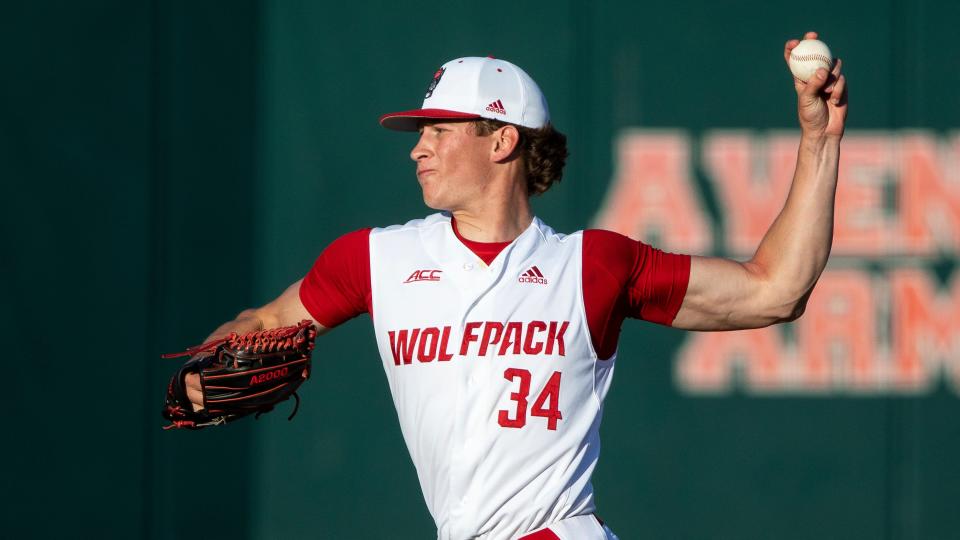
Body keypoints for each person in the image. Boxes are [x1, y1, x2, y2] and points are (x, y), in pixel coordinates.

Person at [184, 31, 847, 540]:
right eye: (421, 132)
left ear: (502, 140)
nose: (419, 147)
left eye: (439, 130)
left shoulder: (591, 267)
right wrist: (209, 366)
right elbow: (268, 323)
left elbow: (774, 290)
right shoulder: (375, 261)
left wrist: (819, 140)